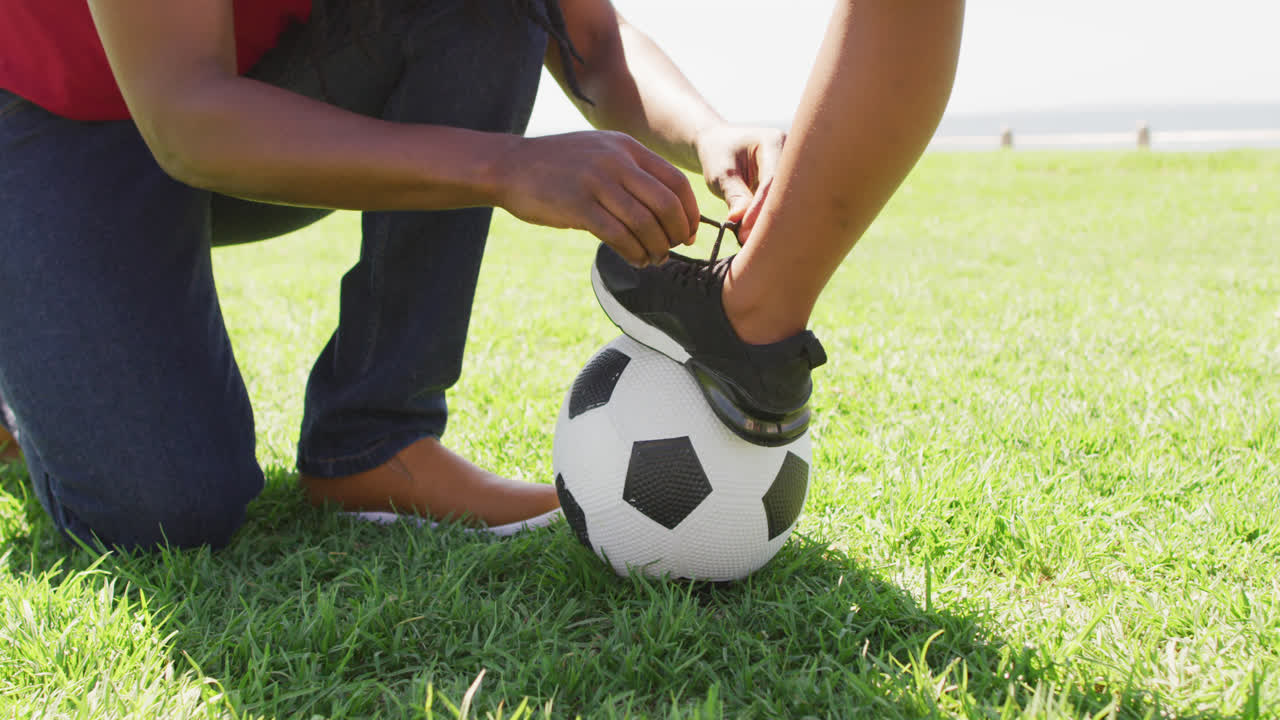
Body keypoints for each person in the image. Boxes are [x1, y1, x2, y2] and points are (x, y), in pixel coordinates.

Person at [0, 0, 964, 550]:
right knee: (167, 513)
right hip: (61, 118)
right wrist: (505, 167)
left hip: (247, 100)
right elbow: (186, 116)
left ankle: (372, 444)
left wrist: (705, 129)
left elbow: (589, 37)